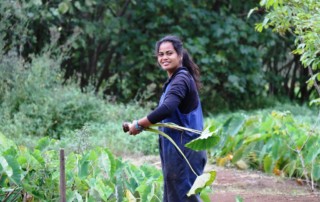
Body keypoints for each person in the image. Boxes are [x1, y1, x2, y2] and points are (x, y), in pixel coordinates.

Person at [126, 35, 207, 202]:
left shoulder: (181, 79)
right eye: (160, 54)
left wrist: (139, 125)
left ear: (180, 55)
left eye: (169, 53)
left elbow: (167, 108)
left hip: (185, 149)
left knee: (184, 197)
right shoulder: (174, 79)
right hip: (177, 148)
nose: (164, 58)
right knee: (175, 196)